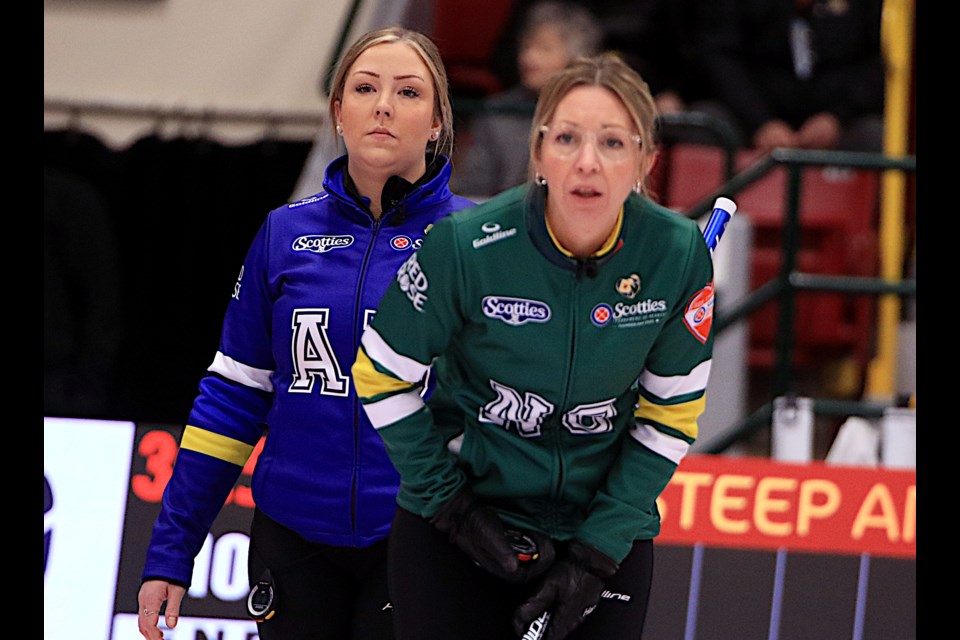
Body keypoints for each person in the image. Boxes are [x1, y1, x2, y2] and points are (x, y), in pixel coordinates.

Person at [353, 53, 716, 640]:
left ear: (647, 160)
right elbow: (379, 374)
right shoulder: (465, 246)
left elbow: (669, 416)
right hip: (455, 527)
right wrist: (449, 505)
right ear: (540, 152)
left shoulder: (676, 255)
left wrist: (598, 552)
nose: (588, 163)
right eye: (568, 138)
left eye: (614, 143)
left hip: (603, 531)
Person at [136, 26, 474, 640]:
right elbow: (233, 400)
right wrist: (171, 552)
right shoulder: (283, 235)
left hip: (424, 538)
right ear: (337, 113)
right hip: (292, 541)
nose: (384, 106)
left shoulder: (480, 241)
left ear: (437, 121)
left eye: (408, 92)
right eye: (365, 88)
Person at [452, 1, 602, 199]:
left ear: (576, 59)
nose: (529, 57)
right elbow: (471, 192)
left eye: (544, 49)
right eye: (527, 46)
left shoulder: (598, 113)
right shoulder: (498, 113)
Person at [696, 0, 885, 153]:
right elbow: (721, 56)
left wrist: (836, 117)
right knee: (705, 124)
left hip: (838, 124)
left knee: (877, 135)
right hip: (750, 121)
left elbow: (878, 60)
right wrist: (761, 123)